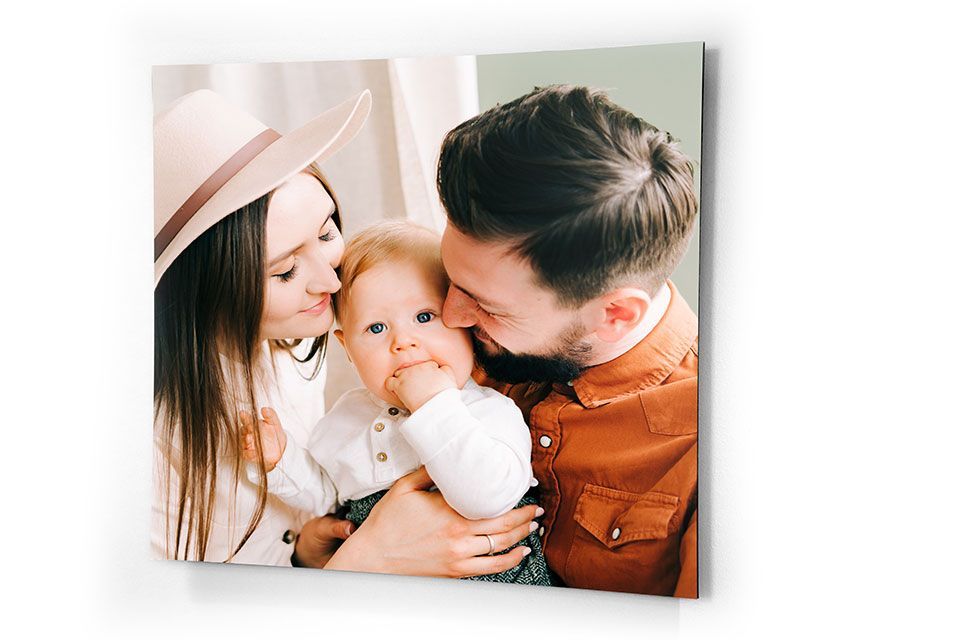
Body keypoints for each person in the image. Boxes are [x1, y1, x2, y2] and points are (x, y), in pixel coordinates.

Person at [152, 89, 539, 574]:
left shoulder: (293, 357)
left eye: (327, 232)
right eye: (286, 271)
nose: (332, 281)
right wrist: (367, 558)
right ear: (205, 290)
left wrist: (305, 555)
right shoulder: (150, 439)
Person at [433, 85, 701, 597]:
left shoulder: (714, 449)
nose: (449, 316)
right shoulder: (464, 315)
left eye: (487, 306)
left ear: (615, 315)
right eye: (451, 281)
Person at [240, 221, 553, 585]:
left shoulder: (486, 411)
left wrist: (433, 404)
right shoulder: (345, 419)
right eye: (376, 328)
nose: (403, 342)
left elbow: (486, 499)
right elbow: (327, 496)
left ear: (463, 322)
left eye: (424, 317)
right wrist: (281, 461)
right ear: (348, 350)